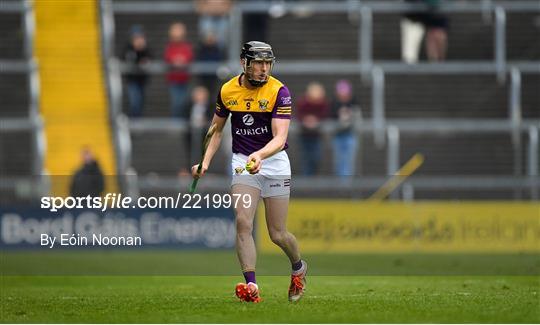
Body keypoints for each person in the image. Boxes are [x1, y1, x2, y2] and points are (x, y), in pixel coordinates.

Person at [191, 41, 307, 303]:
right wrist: (204, 161)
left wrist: (261, 155)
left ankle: (298, 267)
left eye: (267, 63)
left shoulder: (279, 91)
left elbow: (280, 137)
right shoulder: (228, 89)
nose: (264, 69)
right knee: (243, 221)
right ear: (245, 63)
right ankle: (252, 286)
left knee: (277, 234)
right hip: (243, 162)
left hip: (274, 162)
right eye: (258, 63)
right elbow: (216, 129)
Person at [296, 82, 330, 176]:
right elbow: (298, 115)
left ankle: (313, 176)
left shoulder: (323, 103)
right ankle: (307, 179)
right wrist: (306, 120)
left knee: (316, 157)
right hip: (304, 134)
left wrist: (316, 120)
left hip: (316, 135)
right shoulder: (303, 102)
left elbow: (325, 115)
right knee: (305, 158)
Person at [331, 80, 361, 177]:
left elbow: (358, 119)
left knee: (350, 160)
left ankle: (348, 182)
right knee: (338, 160)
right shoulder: (334, 104)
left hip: (350, 135)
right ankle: (340, 182)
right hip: (338, 135)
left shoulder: (354, 104)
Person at [164, 22, 194, 119]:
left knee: (183, 102)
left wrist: (181, 61)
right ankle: (176, 123)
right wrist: (176, 61)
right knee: (176, 103)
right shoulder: (170, 46)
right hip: (174, 80)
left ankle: (181, 121)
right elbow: (168, 57)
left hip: (184, 80)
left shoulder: (186, 46)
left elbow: (189, 57)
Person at [122, 25, 152, 118]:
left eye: (140, 37)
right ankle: (133, 121)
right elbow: (127, 60)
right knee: (134, 102)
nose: (138, 40)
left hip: (142, 80)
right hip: (132, 80)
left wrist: (142, 50)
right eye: (136, 37)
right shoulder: (128, 49)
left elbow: (149, 58)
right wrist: (136, 50)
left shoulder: (146, 49)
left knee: (140, 102)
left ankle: (137, 121)